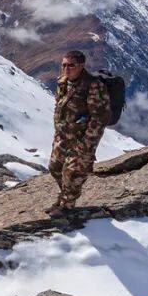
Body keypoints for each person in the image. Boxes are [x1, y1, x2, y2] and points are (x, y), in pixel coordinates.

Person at [48, 50, 110, 215]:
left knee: (73, 173)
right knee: (55, 168)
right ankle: (63, 197)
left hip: (82, 139)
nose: (66, 69)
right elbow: (60, 106)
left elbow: (100, 118)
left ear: (81, 66)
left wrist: (87, 144)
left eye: (71, 65)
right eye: (64, 65)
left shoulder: (93, 86)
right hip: (63, 136)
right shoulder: (62, 82)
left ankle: (67, 207)